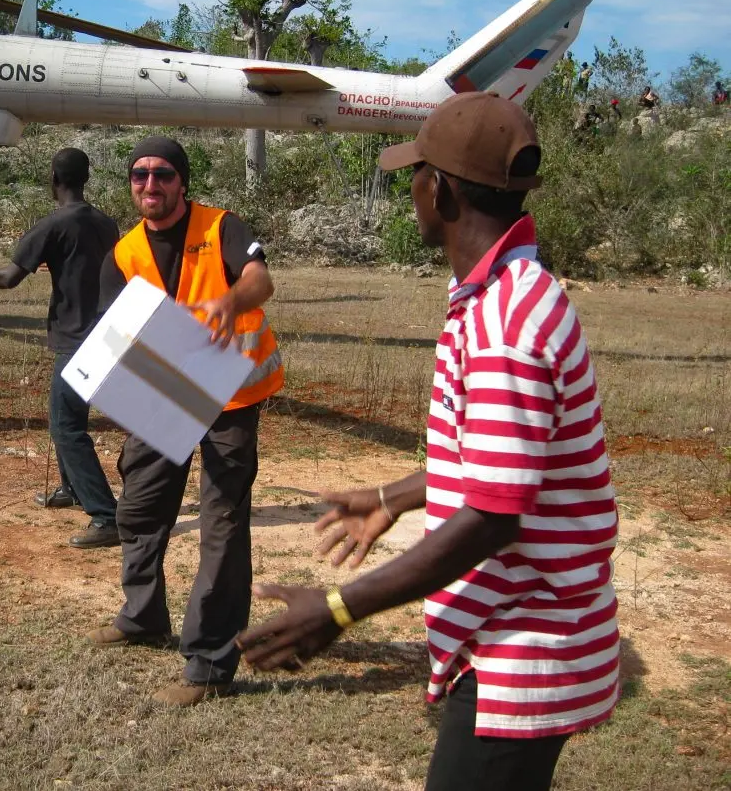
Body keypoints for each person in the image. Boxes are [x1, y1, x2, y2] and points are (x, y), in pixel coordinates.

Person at [236, 93, 620, 791]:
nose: (412, 189)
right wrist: (392, 496)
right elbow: (498, 462)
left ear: (437, 189)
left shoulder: (505, 322)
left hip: (520, 654)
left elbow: (496, 512)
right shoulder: (507, 292)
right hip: (518, 648)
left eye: (416, 174)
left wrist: (338, 608)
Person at [87, 136, 284, 707]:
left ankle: (209, 663)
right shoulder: (123, 254)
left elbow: (260, 280)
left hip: (230, 397)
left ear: (183, 182)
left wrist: (231, 301)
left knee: (221, 526)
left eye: (163, 174)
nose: (151, 185)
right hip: (164, 393)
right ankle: (142, 616)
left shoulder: (221, 226)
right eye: (140, 175)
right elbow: (112, 333)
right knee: (141, 507)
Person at [0, 148, 121, 548]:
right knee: (63, 418)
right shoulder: (107, 223)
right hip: (106, 333)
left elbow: (9, 278)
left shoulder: (52, 225)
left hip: (76, 338)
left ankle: (105, 515)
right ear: (86, 178)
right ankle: (71, 489)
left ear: (53, 179)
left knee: (68, 428)